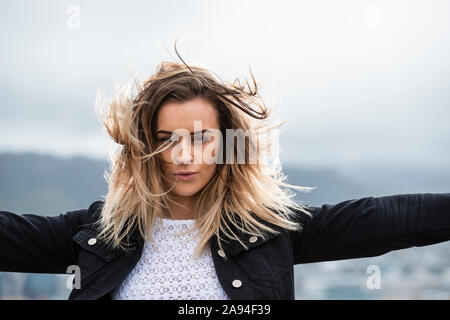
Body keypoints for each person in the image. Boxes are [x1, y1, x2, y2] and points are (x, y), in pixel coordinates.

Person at [0, 48, 449, 300]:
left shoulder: (269, 232)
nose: (182, 155)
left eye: (200, 138)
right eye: (165, 137)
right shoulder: (96, 234)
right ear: (144, 147)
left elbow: (385, 218)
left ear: (227, 143)